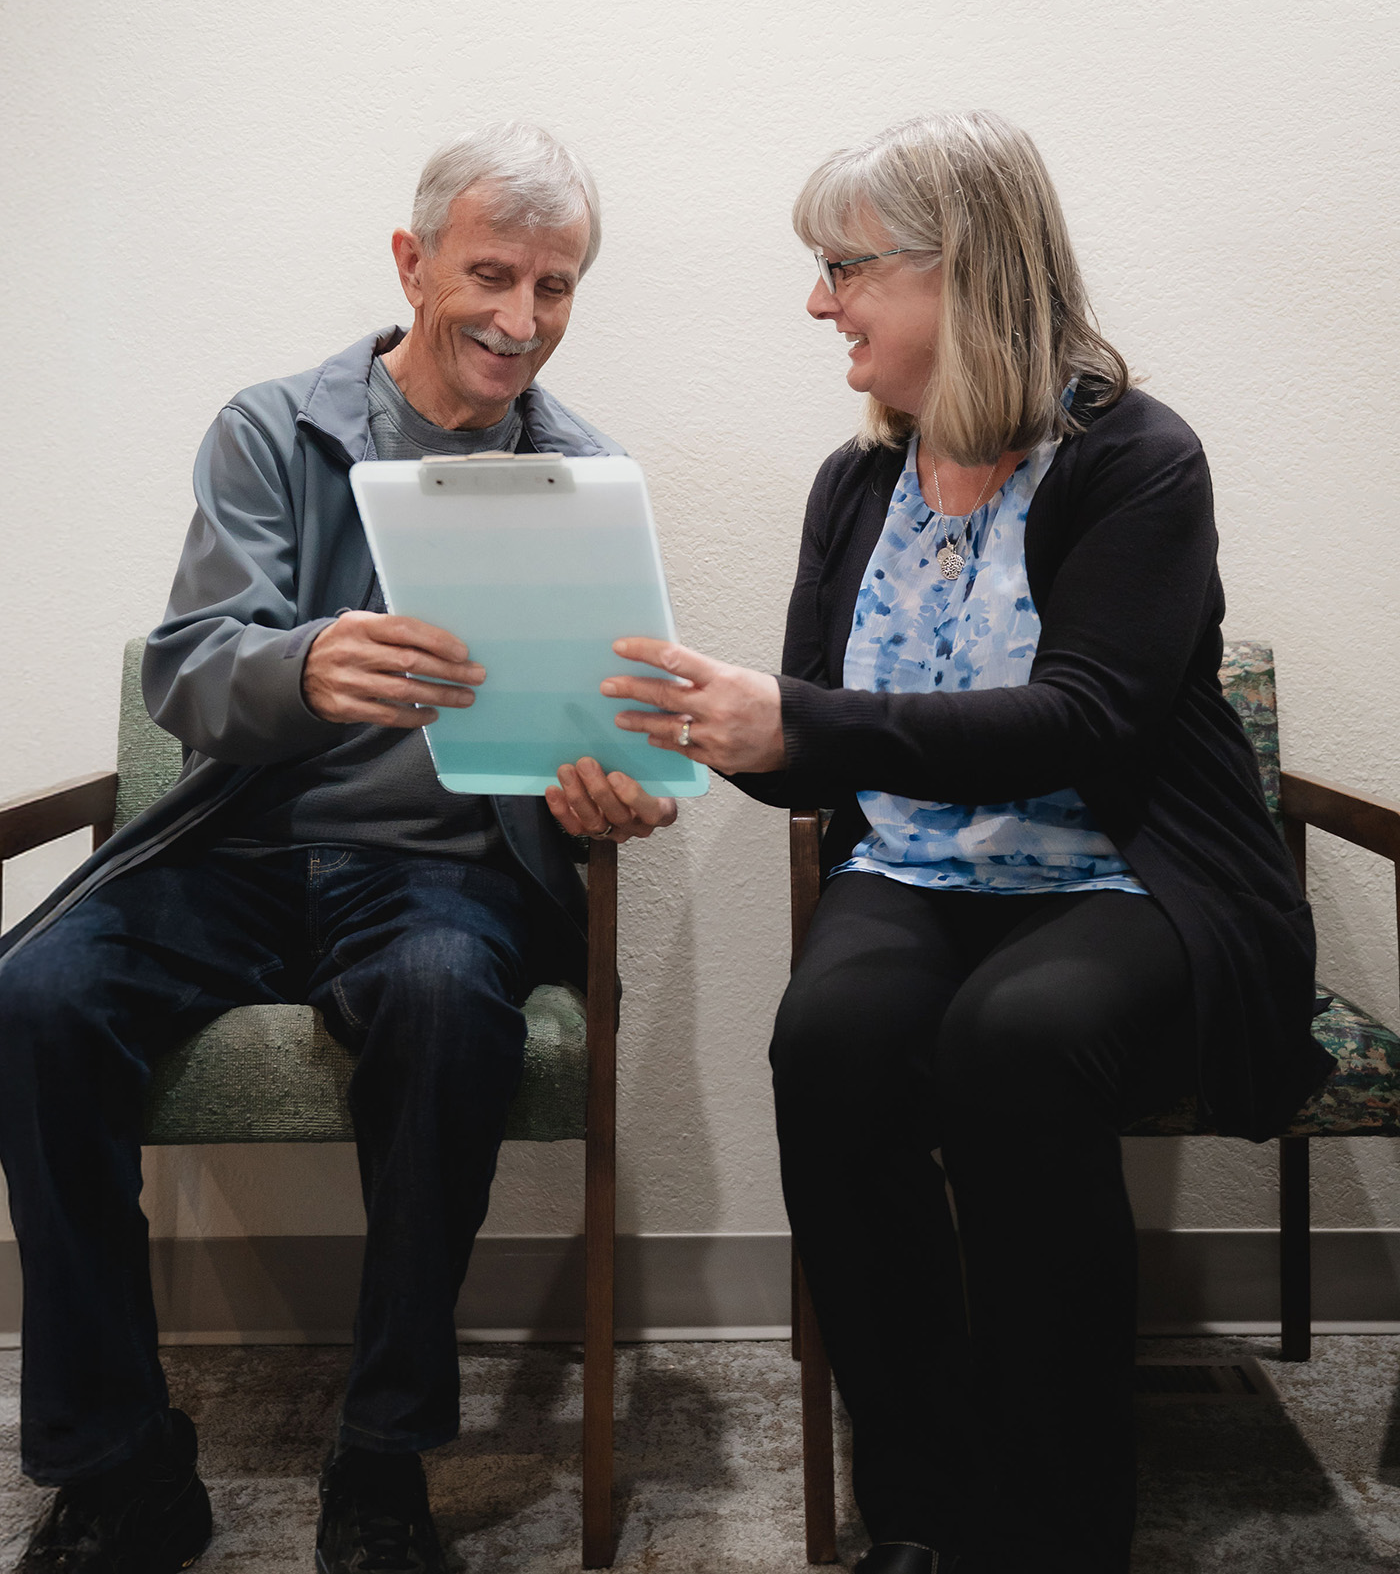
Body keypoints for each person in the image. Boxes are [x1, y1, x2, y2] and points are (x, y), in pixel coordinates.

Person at [600, 112, 1331, 1574]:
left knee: (1016, 1038)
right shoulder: (856, 483)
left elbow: (1087, 721)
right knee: (832, 1039)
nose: (820, 303)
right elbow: (819, 763)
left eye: (844, 266)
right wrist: (703, 734)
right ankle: (925, 1506)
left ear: (967, 271)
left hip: (1128, 870)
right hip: (918, 870)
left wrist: (801, 717)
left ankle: (1056, 1527)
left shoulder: (1137, 461)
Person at [0, 122, 674, 1574]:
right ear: (411, 260)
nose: (520, 318)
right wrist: (303, 668)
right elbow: (189, 669)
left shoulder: (584, 472)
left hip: (441, 872)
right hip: (238, 845)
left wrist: (613, 786)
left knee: (445, 1004)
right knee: (34, 1000)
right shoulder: (274, 428)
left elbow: (605, 726)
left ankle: (384, 1459)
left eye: (556, 287)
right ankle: (119, 1464)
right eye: (492, 273)